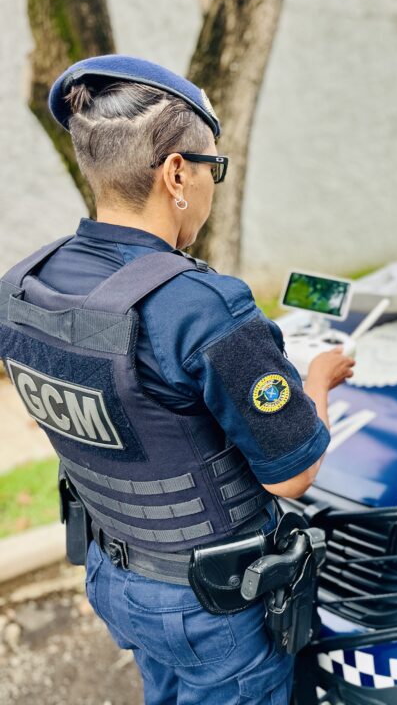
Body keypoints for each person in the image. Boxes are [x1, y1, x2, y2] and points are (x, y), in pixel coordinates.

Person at [0, 56, 354, 704]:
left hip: (115, 576)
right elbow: (292, 475)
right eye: (212, 167)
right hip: (211, 606)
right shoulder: (205, 307)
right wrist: (321, 383)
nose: (214, 184)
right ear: (177, 173)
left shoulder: (23, 285)